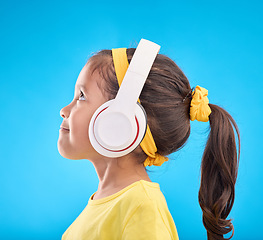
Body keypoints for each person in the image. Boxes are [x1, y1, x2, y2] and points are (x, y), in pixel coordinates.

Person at [58, 42, 240, 240]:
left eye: (81, 96)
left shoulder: (141, 206)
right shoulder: (109, 201)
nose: (64, 110)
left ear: (122, 122)